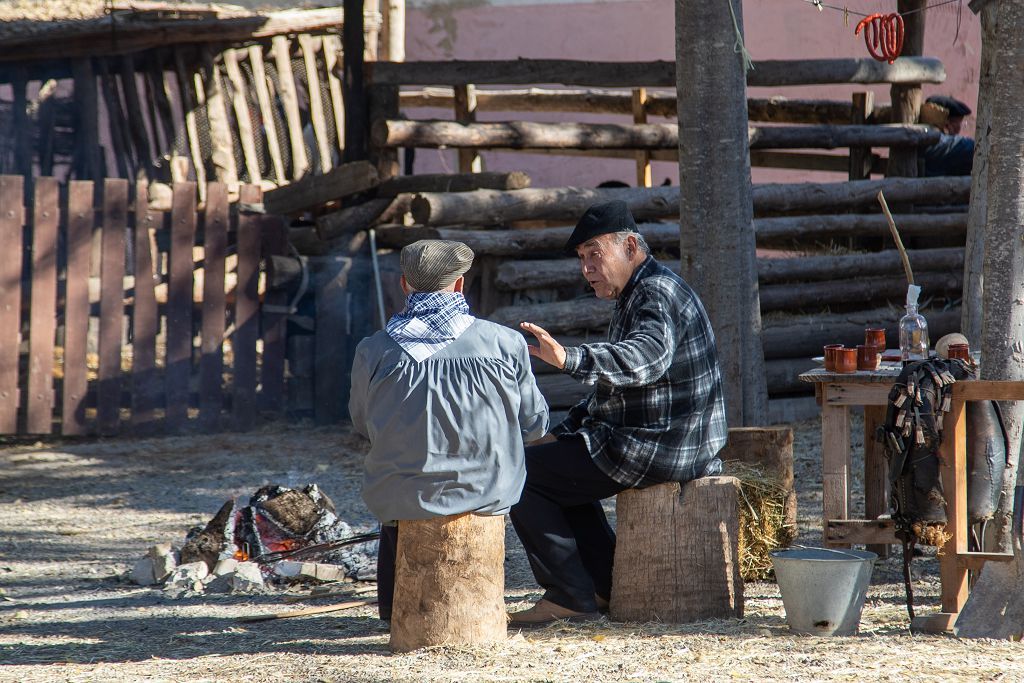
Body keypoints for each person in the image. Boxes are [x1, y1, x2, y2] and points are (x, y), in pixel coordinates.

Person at [507, 200, 728, 627]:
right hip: (652, 436)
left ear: (630, 247)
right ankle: (603, 584)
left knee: (523, 472)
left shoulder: (657, 293)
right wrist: (564, 432)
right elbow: (615, 391)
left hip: (665, 444)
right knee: (554, 466)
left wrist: (569, 358)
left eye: (595, 254)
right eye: (581, 258)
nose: (587, 268)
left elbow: (646, 359)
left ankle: (569, 595)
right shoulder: (639, 291)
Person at [348, 239, 549, 621]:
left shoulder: (373, 350)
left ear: (404, 285)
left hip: (400, 494)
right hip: (487, 491)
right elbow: (535, 423)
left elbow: (362, 423)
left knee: (402, 493)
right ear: (459, 285)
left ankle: (395, 610)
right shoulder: (505, 343)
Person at [921, 95, 974, 177]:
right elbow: (976, 149)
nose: (960, 129)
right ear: (947, 125)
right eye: (959, 124)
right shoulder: (937, 144)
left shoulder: (922, 137)